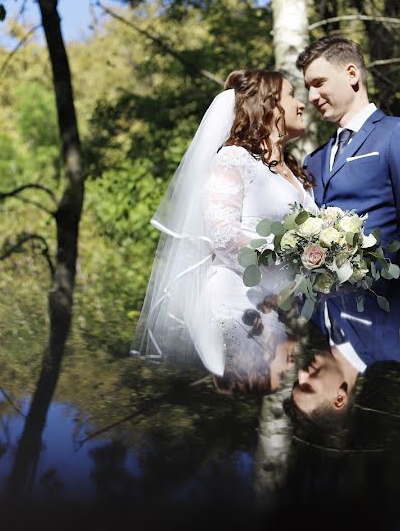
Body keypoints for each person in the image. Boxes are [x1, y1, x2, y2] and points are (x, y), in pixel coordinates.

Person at [132, 69, 316, 394]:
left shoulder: (298, 174)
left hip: (274, 309)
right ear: (267, 105)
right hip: (235, 301)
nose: (301, 104)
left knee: (266, 383)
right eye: (291, 94)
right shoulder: (234, 160)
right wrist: (289, 250)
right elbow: (224, 235)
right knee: (259, 380)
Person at [288, 35, 400, 420]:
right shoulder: (316, 161)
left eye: (318, 83)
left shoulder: (399, 133)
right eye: (307, 87)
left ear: (352, 74)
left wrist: (365, 271)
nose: (312, 95)